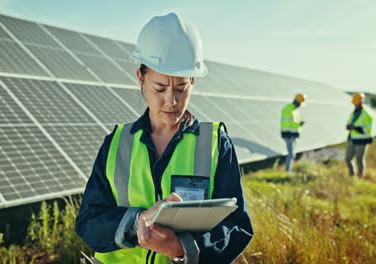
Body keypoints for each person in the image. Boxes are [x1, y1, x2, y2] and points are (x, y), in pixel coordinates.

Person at [75, 13, 253, 264]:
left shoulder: (215, 143)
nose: (171, 101)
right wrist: (138, 222)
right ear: (141, 78)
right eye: (159, 88)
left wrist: (183, 249)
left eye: (181, 88)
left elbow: (237, 227)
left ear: (193, 81)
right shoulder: (116, 143)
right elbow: (88, 222)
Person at [345, 93, 373, 178]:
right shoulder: (353, 113)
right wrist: (348, 127)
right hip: (351, 139)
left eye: (356, 103)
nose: (354, 104)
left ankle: (360, 176)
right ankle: (351, 174)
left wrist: (355, 128)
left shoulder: (366, 115)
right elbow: (349, 123)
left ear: (361, 102)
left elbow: (367, 131)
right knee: (347, 159)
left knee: (359, 160)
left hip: (361, 141)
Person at [280, 94, 306, 172]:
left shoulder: (295, 110)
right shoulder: (288, 109)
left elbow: (293, 122)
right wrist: (299, 124)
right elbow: (289, 124)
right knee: (291, 154)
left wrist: (298, 125)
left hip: (293, 134)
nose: (300, 106)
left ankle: (288, 170)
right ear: (297, 102)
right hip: (288, 134)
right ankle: (288, 171)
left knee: (292, 154)